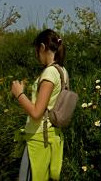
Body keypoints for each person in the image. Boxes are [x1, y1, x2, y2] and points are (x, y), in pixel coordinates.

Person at [11, 29, 68, 180]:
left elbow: (37, 113)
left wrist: (19, 94)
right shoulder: (62, 71)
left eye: (37, 51)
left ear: (42, 47)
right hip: (52, 135)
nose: (37, 55)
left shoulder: (49, 73)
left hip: (39, 139)